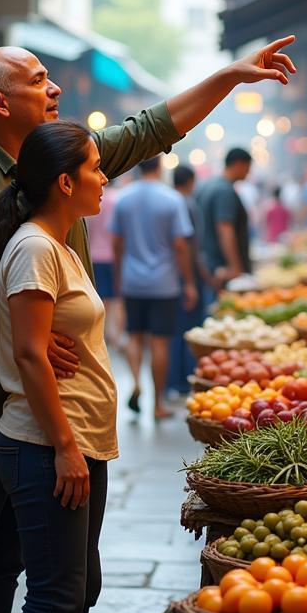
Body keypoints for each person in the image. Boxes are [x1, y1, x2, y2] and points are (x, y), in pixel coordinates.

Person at [0, 39, 296, 613]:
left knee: (19, 564)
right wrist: (0, 323)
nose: (53, 87)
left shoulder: (53, 163)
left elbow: (153, 127)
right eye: (38, 78)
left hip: (44, 410)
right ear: (0, 103)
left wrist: (231, 77)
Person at [0, 121, 117, 613]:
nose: (104, 177)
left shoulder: (59, 245)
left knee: (78, 586)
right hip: (44, 445)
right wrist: (62, 445)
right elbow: (30, 356)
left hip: (79, 441)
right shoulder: (34, 248)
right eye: (94, 168)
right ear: (65, 181)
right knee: (56, 593)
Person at [110, 156, 196, 420]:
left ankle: (136, 384)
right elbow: (180, 246)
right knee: (160, 342)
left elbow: (117, 244)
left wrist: (119, 278)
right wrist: (189, 282)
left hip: (133, 281)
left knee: (135, 336)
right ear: (159, 166)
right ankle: (157, 404)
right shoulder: (172, 199)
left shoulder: (124, 198)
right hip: (164, 283)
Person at [167, 165, 206, 396]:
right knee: (188, 331)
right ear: (191, 181)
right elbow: (189, 246)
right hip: (185, 276)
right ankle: (183, 381)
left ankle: (172, 382)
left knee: (173, 332)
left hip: (168, 277)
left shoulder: (168, 201)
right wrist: (195, 280)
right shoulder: (187, 204)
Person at [196, 147, 253, 303]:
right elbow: (225, 229)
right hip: (221, 267)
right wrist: (235, 267)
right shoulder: (224, 191)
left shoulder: (208, 186)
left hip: (208, 263)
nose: (248, 173)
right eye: (248, 168)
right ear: (239, 164)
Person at [85, 176, 123, 349]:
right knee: (115, 300)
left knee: (98, 299)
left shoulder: (92, 199)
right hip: (113, 257)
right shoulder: (118, 200)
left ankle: (101, 335)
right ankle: (113, 334)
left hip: (94, 256)